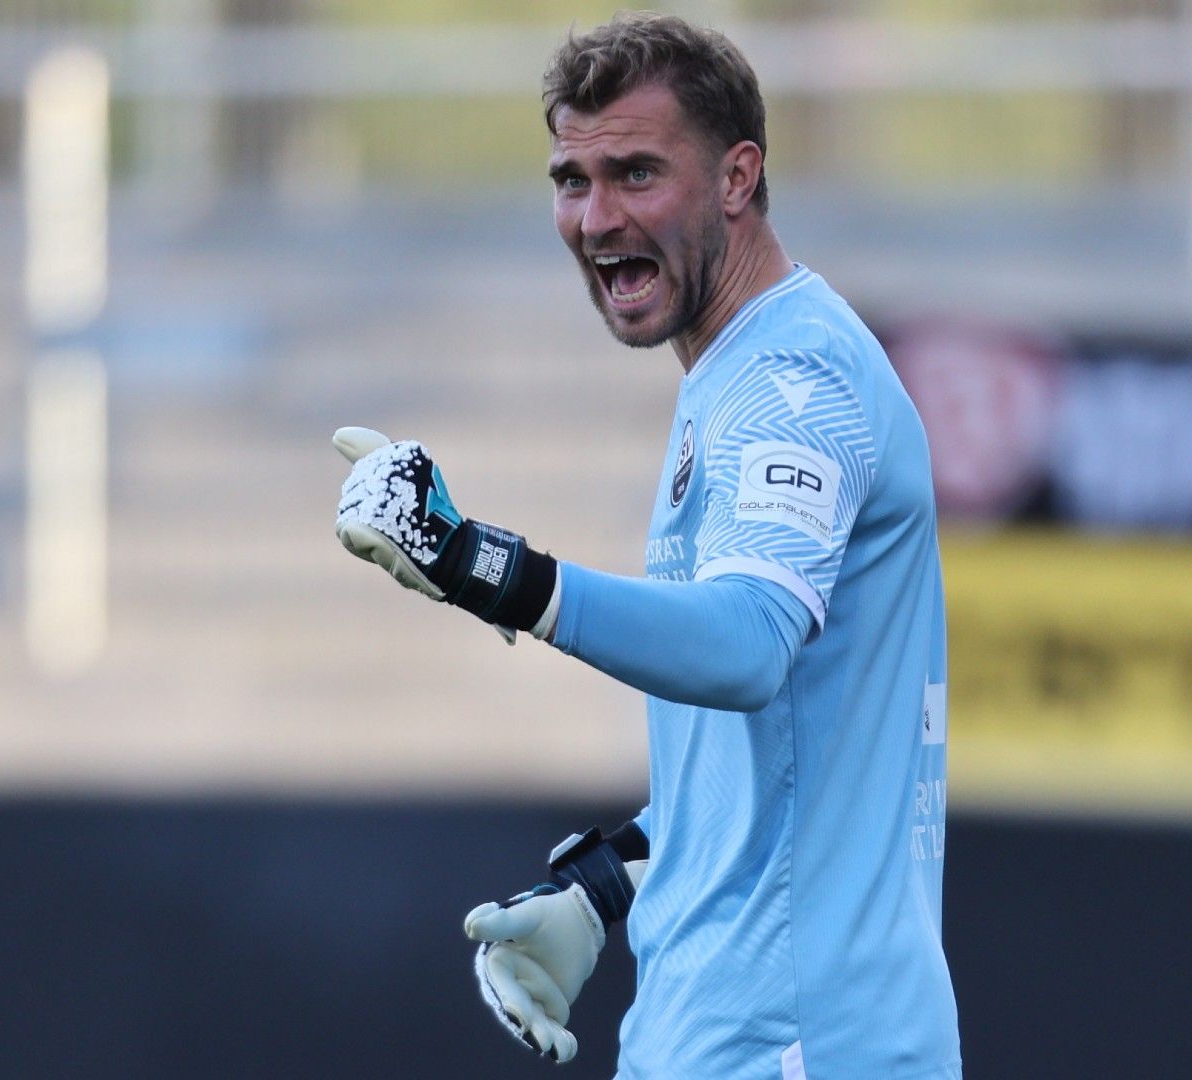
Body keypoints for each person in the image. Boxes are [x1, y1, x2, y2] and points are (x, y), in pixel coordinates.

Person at [332, 12, 960, 1080]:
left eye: (635, 172)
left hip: (798, 1049)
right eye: (572, 180)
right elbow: (790, 758)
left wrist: (485, 569)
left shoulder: (790, 383)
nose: (595, 216)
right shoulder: (736, 371)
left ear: (736, 177)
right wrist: (612, 880)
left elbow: (747, 649)